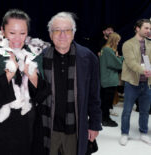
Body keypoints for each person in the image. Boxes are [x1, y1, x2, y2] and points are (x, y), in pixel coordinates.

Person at [0, 9, 49, 155]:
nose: (17, 39)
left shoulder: (32, 53)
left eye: (23, 33)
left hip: (29, 127)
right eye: (12, 33)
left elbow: (43, 94)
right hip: (0, 129)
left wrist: (32, 76)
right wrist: (9, 75)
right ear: (2, 31)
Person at [38, 12, 102, 155]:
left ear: (73, 33)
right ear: (50, 34)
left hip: (75, 127)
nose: (62, 35)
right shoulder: (40, 59)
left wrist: (94, 124)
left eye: (67, 30)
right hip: (48, 127)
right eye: (57, 30)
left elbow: (94, 95)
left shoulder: (88, 58)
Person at [120, 19, 151, 146]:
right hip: (132, 84)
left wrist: (148, 70)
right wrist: (145, 71)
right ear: (137, 28)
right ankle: (124, 134)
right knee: (127, 110)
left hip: (147, 84)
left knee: (145, 110)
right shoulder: (128, 44)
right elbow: (131, 62)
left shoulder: (149, 44)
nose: (149, 30)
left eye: (149, 28)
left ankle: (143, 132)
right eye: (146, 28)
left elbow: (147, 60)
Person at [99, 32, 123, 127]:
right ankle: (105, 119)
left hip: (105, 79)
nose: (118, 43)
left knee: (104, 101)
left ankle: (103, 118)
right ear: (113, 41)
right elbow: (118, 64)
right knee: (106, 102)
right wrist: (121, 58)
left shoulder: (104, 50)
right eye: (117, 41)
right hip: (109, 80)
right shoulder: (108, 50)